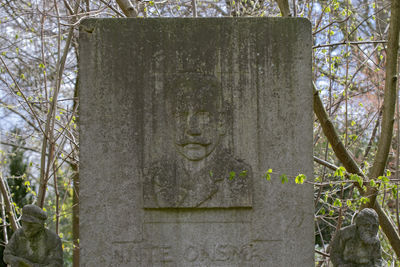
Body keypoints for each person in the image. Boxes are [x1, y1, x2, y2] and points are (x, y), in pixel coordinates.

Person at [143, 73, 252, 208]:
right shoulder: (155, 177)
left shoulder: (238, 176)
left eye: (203, 115)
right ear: (169, 123)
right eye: (180, 115)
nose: (192, 129)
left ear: (221, 122)